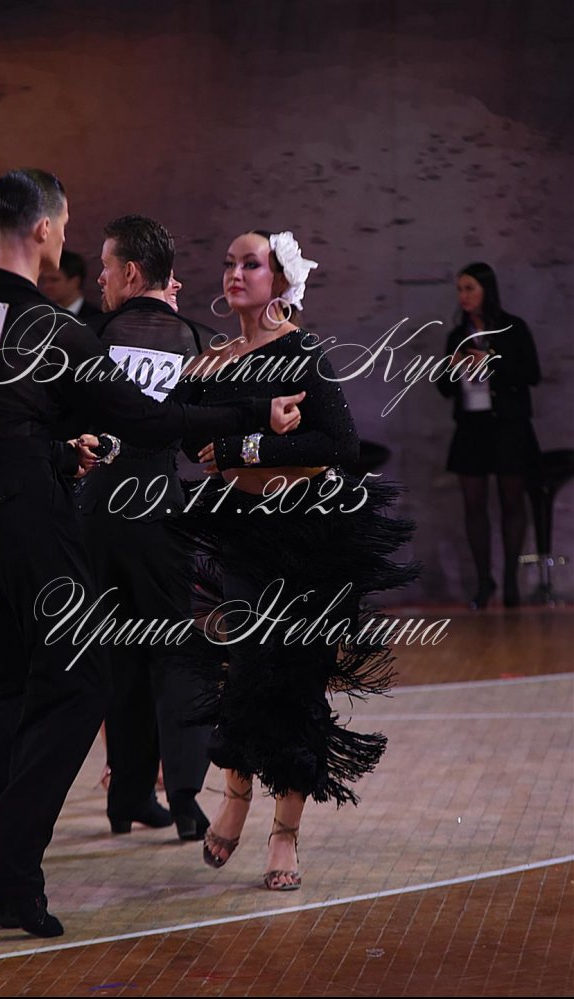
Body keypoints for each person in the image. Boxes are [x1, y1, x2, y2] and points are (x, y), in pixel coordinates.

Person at [0, 170, 305, 937]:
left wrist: (51, 449)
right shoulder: (55, 327)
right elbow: (149, 420)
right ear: (43, 228)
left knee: (6, 683)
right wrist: (251, 408)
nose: (69, 240)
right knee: (83, 683)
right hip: (28, 521)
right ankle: (5, 857)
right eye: (66, 225)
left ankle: (13, 881)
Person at [174, 229, 418, 890]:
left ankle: (284, 833)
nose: (235, 273)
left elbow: (338, 442)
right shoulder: (213, 359)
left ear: (280, 280)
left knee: (297, 680)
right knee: (244, 669)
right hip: (244, 532)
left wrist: (242, 448)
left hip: (308, 534)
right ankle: (235, 793)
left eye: (250, 263)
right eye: (228, 262)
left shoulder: (302, 350)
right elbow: (183, 432)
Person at [82, 216, 215, 841]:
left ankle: (127, 796)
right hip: (158, 508)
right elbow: (196, 442)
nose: (101, 278)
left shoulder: (91, 335)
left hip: (98, 513)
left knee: (120, 655)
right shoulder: (192, 340)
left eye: (107, 267)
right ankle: (183, 796)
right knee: (176, 655)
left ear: (131, 273)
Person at [436, 262, 541, 608]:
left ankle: (511, 579)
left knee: (512, 501)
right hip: (471, 425)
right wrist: (452, 369)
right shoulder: (457, 335)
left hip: (508, 425)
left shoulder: (513, 328)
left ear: (486, 290)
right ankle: (484, 581)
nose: (463, 296)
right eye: (459, 289)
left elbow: (531, 374)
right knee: (473, 504)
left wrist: (491, 362)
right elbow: (444, 389)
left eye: (470, 289)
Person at [39, 248, 101, 319]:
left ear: (75, 282)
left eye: (54, 280)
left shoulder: (96, 318)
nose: (46, 286)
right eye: (44, 280)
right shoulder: (41, 316)